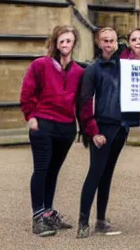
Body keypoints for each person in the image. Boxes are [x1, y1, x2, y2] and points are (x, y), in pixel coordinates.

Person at [20, 25, 85, 236]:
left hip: (66, 127)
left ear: (74, 43)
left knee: (54, 171)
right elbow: (27, 91)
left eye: (69, 41)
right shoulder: (40, 65)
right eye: (62, 41)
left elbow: (82, 102)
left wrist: (83, 128)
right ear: (56, 43)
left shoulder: (79, 71)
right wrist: (31, 116)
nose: (65, 45)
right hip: (43, 124)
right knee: (41, 169)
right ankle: (38, 217)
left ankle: (48, 213)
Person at [76, 27, 140, 238]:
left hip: (121, 127)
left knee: (107, 174)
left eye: (112, 40)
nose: (108, 44)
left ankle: (101, 220)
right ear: (98, 42)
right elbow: (85, 102)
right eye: (104, 40)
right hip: (102, 128)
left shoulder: (125, 66)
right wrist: (93, 131)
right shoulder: (93, 69)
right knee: (95, 173)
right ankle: (83, 222)